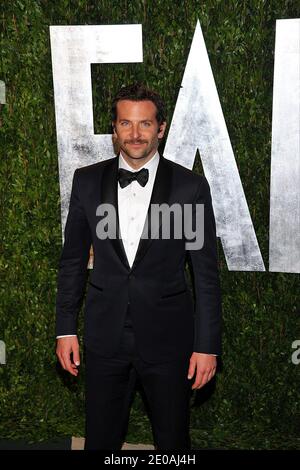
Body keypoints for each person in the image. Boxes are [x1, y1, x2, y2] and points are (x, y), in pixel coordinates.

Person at [55, 83, 222, 450]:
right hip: (105, 337)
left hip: (168, 339)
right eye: (126, 124)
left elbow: (206, 275)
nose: (135, 134)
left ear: (161, 128)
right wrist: (65, 329)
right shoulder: (87, 181)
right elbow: (71, 262)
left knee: (173, 441)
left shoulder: (188, 188)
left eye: (145, 124)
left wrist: (207, 346)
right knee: (100, 440)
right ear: (114, 128)